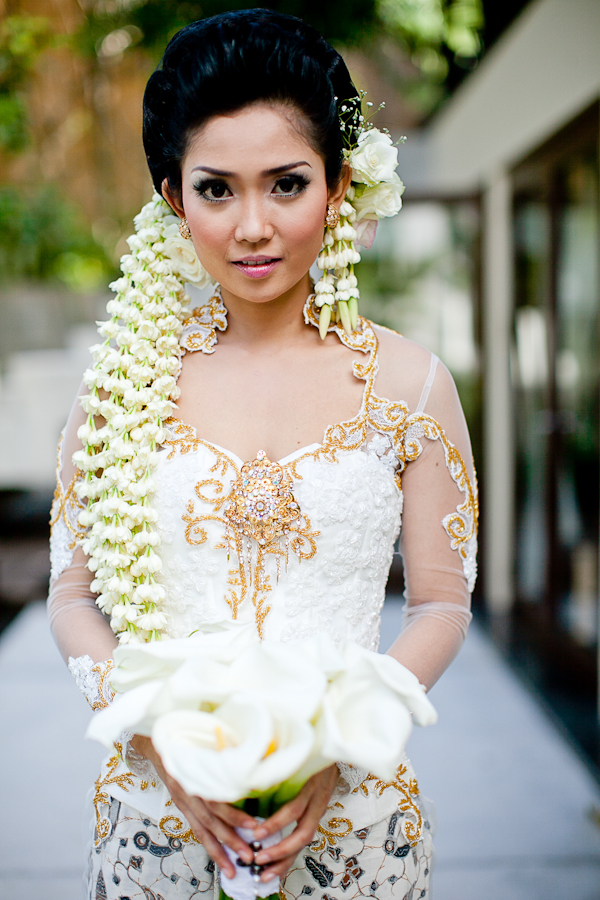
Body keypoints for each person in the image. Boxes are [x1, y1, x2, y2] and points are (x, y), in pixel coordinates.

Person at [47, 9, 477, 899]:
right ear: (173, 197)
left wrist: (339, 745)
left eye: (286, 185)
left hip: (356, 829)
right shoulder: (122, 387)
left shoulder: (412, 385)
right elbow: (74, 596)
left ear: (337, 185)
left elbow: (440, 604)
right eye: (216, 189)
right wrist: (159, 743)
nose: (253, 226)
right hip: (157, 828)